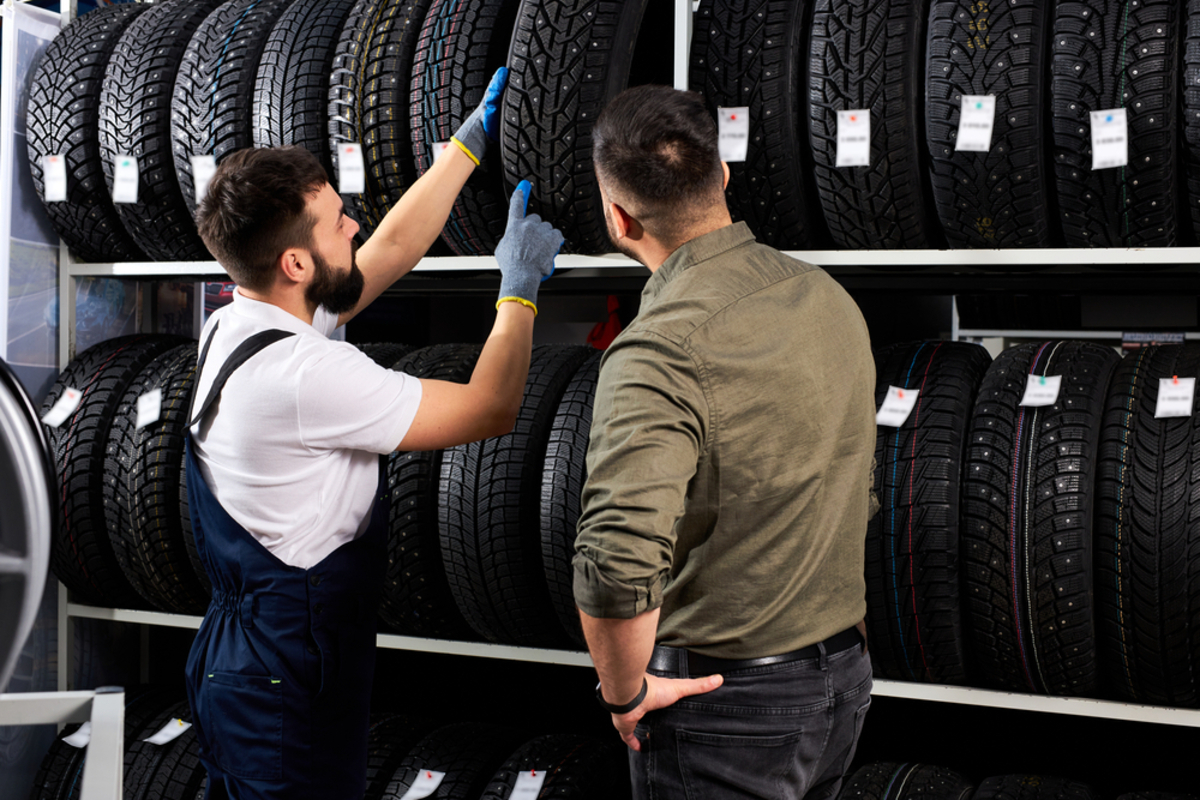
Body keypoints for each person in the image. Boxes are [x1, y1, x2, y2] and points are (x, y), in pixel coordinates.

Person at [183, 70, 562, 799]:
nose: (352, 223)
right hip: (285, 683)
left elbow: (379, 256)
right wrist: (517, 290)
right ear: (295, 263)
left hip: (244, 662)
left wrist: (465, 148)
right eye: (333, 222)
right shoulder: (303, 374)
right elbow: (489, 409)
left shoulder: (240, 323)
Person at [572, 85, 877, 800]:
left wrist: (623, 694)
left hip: (726, 707)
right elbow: (850, 484)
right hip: (841, 681)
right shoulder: (826, 296)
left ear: (618, 218)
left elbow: (617, 564)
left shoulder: (658, 351)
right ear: (724, 175)